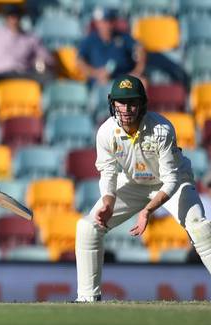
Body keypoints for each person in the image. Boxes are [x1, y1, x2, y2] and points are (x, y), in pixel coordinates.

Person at [75, 74, 211, 302]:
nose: (126, 109)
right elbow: (108, 172)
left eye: (132, 103)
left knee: (200, 228)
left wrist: (147, 210)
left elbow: (171, 180)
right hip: (133, 184)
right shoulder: (106, 132)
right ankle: (87, 299)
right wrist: (108, 200)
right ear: (112, 103)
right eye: (121, 103)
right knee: (88, 227)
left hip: (173, 183)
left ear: (142, 104)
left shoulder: (162, 129)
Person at [77, 7, 146, 87]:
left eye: (111, 21)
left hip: (124, 80)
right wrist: (96, 73)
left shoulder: (123, 37)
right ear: (97, 23)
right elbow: (80, 61)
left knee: (142, 82)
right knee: (103, 84)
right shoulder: (90, 40)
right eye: (104, 21)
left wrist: (136, 72)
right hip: (101, 80)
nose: (108, 25)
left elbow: (140, 49)